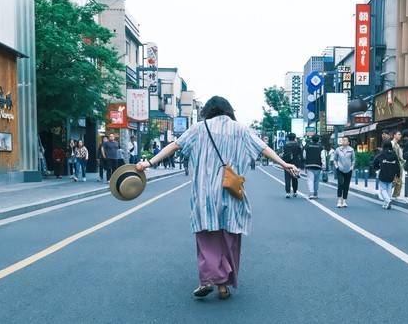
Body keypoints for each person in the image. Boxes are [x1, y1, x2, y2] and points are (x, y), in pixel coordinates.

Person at [135, 96, 298, 300]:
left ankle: (209, 279)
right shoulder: (241, 129)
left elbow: (174, 146)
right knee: (229, 238)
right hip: (231, 192)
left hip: (205, 194)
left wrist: (149, 163)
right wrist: (285, 164)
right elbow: (263, 148)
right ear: (228, 110)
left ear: (208, 111)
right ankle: (223, 285)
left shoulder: (198, 128)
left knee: (207, 238)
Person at [371, 141, 400, 210]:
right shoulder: (394, 154)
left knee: (383, 189)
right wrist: (398, 174)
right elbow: (397, 165)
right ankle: (385, 204)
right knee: (389, 189)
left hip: (383, 173)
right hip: (392, 174)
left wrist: (377, 168)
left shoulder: (381, 154)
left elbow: (374, 162)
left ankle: (388, 201)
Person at [332, 137, 355, 208]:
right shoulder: (338, 149)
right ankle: (339, 200)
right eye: (342, 140)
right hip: (340, 169)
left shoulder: (351, 150)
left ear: (348, 142)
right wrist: (337, 166)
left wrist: (352, 167)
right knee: (340, 184)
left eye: (345, 140)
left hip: (348, 170)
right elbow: (335, 159)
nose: (343, 141)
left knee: (346, 185)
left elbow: (353, 160)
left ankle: (344, 201)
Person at [281, 133, 303, 198]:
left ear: (288, 138)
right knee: (294, 178)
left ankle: (287, 192)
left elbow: (283, 154)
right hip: (295, 163)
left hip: (287, 163)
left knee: (287, 178)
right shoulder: (298, 145)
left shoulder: (285, 145)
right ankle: (295, 192)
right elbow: (300, 154)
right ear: (295, 137)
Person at [303, 135, 325, 199]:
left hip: (309, 165)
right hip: (318, 165)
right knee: (316, 180)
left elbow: (304, 156)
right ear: (318, 140)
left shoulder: (307, 146)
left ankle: (311, 193)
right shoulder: (321, 147)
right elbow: (323, 157)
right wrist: (324, 166)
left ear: (311, 139)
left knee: (310, 180)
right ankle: (315, 193)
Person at [391, 131, 405, 198]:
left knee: (399, 181)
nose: (400, 136)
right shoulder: (391, 144)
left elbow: (400, 157)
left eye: (400, 134)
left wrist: (403, 162)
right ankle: (384, 191)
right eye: (399, 134)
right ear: (394, 135)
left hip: (399, 165)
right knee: (393, 180)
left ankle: (395, 195)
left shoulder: (398, 145)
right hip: (393, 165)